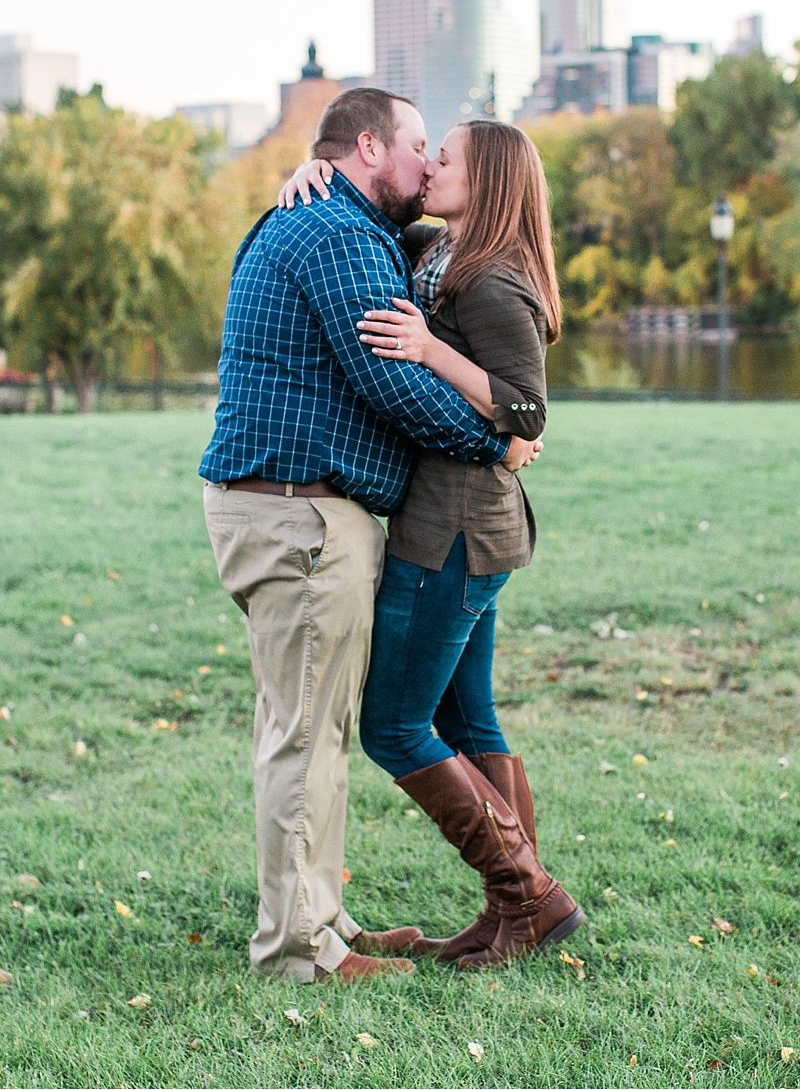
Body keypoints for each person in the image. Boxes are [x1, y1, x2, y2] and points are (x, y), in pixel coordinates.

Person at [199, 87, 541, 985]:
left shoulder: (369, 229)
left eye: (445, 155)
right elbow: (387, 380)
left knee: (322, 728)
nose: (428, 165)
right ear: (367, 147)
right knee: (311, 735)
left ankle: (330, 924)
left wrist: (508, 418)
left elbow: (472, 329)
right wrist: (499, 441)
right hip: (297, 512)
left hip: (304, 509)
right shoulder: (339, 231)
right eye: (420, 146)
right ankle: (303, 953)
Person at [276, 118, 584, 969]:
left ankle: (532, 897)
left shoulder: (489, 283)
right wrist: (311, 168)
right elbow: (371, 207)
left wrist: (426, 351)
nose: (430, 168)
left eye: (444, 159)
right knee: (464, 714)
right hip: (462, 524)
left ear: (483, 181)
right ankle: (512, 910)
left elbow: (527, 413)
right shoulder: (439, 251)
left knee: (396, 726)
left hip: (452, 528)